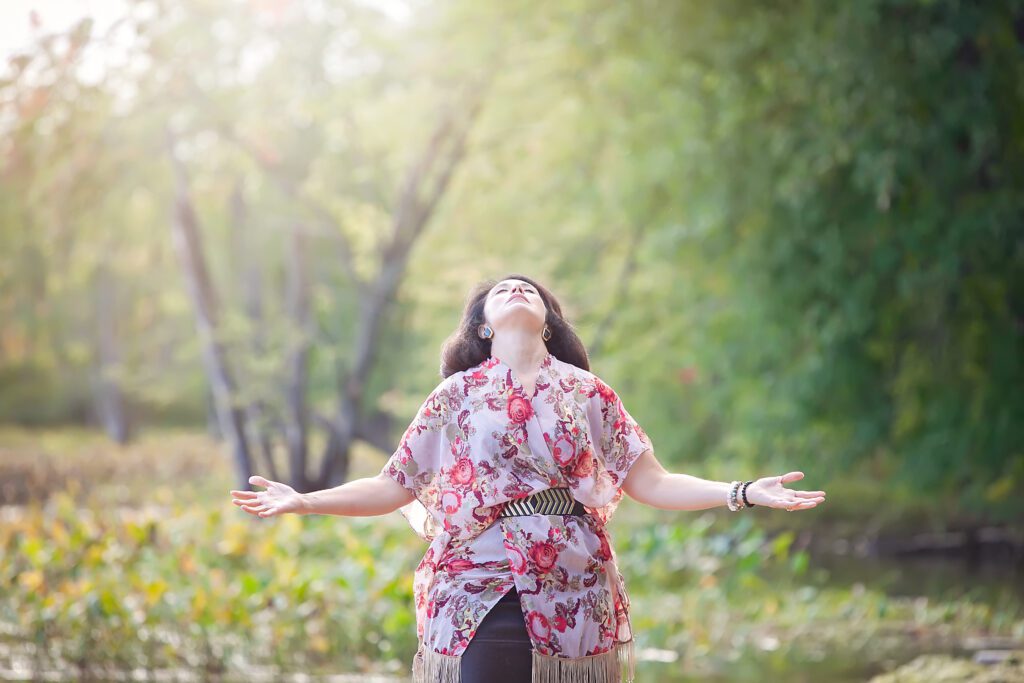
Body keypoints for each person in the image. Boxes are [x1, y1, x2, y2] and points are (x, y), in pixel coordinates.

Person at [230, 274, 827, 683]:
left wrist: (741, 492)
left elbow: (653, 481)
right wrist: (305, 501)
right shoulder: (454, 396)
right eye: (501, 290)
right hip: (476, 584)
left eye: (529, 288)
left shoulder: (588, 392)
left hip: (576, 588)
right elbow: (394, 485)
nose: (517, 289)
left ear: (549, 320)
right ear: (483, 325)